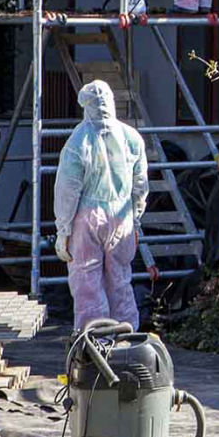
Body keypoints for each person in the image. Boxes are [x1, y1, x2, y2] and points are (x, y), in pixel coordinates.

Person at [53, 80, 149, 331]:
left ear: (85, 105)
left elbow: (67, 190)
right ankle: (126, 334)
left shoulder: (78, 141)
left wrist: (63, 230)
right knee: (120, 280)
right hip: (122, 216)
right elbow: (140, 186)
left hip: (87, 219)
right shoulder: (131, 138)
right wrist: (135, 221)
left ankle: (94, 337)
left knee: (87, 283)